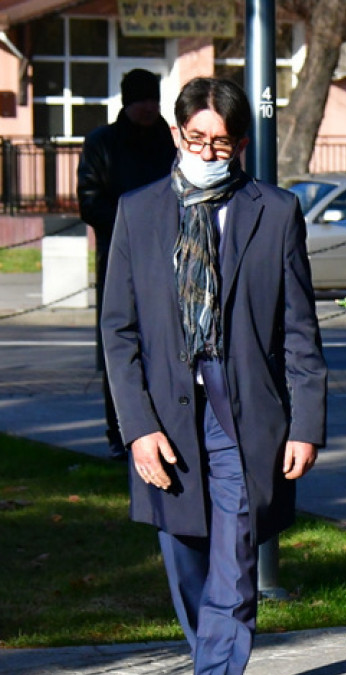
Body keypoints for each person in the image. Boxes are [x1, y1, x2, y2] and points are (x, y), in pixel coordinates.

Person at [100, 77, 327, 675]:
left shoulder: (274, 210)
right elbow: (119, 331)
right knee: (186, 554)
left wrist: (307, 423)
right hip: (165, 413)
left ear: (240, 144)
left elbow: (299, 330)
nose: (206, 151)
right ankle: (214, 664)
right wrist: (136, 427)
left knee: (235, 547)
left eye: (219, 142)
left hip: (244, 411)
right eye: (195, 139)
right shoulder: (137, 211)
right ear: (176, 135)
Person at [77, 68, 176, 460]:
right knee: (119, 343)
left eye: (153, 100)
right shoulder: (102, 143)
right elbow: (90, 201)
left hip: (168, 253)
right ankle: (120, 430)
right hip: (118, 255)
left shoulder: (168, 142)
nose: (148, 109)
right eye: (141, 101)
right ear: (126, 102)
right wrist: (130, 224)